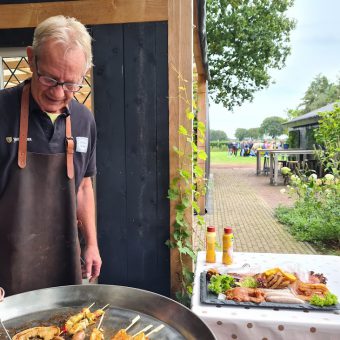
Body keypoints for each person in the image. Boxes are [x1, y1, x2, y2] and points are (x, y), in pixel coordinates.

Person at [0, 15, 101, 296]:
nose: (58, 93)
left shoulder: (84, 120)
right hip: (5, 271)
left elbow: (83, 186)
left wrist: (92, 243)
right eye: (50, 79)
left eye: (71, 84)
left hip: (64, 267)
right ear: (31, 60)